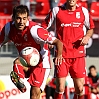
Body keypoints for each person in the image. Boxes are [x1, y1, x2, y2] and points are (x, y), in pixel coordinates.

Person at [0, 5, 63, 99]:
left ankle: (20, 80)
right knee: (17, 62)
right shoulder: (8, 28)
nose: (21, 22)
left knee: (34, 94)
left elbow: (58, 42)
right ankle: (20, 82)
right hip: (25, 60)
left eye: (24, 18)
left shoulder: (35, 30)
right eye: (18, 18)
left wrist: (59, 55)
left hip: (41, 63)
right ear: (13, 18)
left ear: (28, 18)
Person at [41, 0, 95, 99]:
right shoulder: (56, 10)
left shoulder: (83, 11)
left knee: (79, 88)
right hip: (61, 55)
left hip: (78, 55)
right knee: (60, 87)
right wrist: (49, 39)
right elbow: (43, 27)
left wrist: (87, 36)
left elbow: (91, 28)